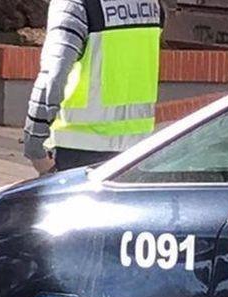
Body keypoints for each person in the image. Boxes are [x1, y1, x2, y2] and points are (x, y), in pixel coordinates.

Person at [21, 0, 164, 174]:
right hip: (137, 150)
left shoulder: (75, 5)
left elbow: (53, 77)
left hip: (78, 150)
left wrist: (34, 146)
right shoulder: (153, 5)